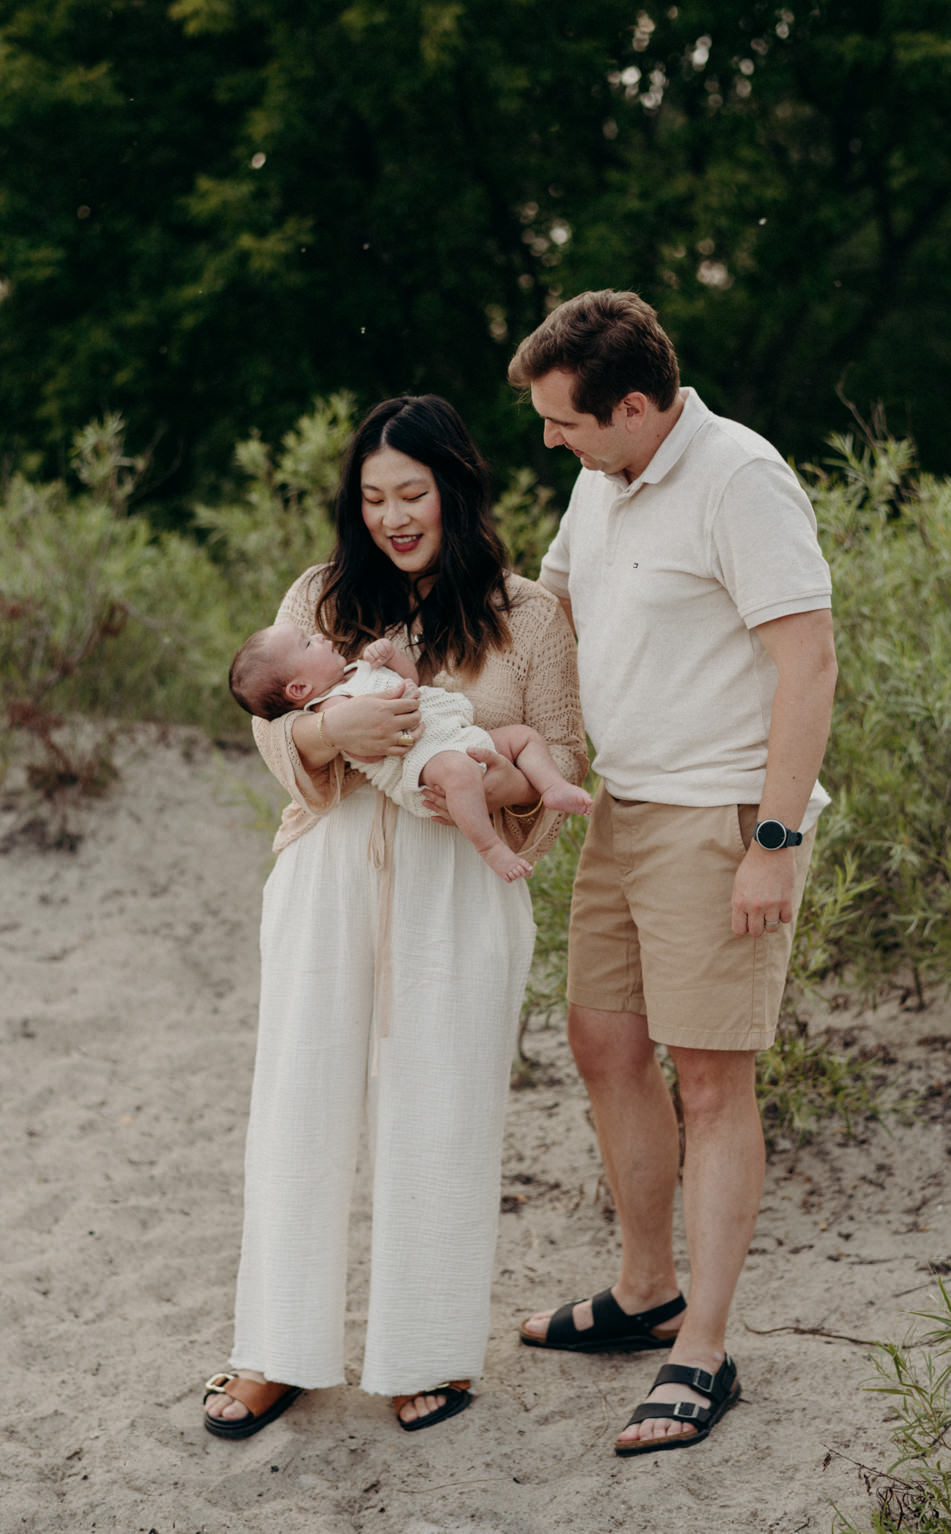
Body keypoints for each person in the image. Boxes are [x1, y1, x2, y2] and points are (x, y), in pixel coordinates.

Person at [203, 394, 587, 1439]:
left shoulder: (529, 612)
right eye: (372, 497)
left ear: (455, 489)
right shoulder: (320, 595)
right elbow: (274, 740)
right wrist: (340, 729)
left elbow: (562, 746)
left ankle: (423, 1352)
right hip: (328, 871)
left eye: (412, 492)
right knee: (299, 1101)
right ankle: (274, 1349)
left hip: (464, 879)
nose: (393, 516)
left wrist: (461, 779)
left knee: (443, 1107)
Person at [506, 291, 837, 1456]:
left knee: (710, 1077)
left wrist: (774, 840)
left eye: (565, 421)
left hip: (718, 818)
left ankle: (701, 1346)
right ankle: (643, 1290)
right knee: (601, 1040)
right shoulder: (600, 478)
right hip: (622, 806)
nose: (552, 439)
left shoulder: (739, 477)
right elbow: (545, 611)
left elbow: (808, 660)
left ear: (634, 406)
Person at [229, 624, 592, 881]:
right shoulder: (329, 706)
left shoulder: (355, 671)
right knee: (460, 773)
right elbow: (366, 751)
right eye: (308, 643)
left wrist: (389, 657)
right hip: (422, 761)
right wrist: (343, 730)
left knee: (523, 737)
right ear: (300, 688)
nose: (320, 637)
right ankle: (489, 846)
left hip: (457, 733)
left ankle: (550, 786)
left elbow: (410, 681)